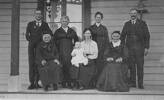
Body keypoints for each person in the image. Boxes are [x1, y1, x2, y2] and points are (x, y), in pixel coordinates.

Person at [121, 8, 150, 89]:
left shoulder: (142, 23)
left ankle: (140, 84)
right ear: (130, 14)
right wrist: (123, 47)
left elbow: (147, 36)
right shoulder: (127, 24)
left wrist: (146, 47)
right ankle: (133, 83)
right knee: (132, 67)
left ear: (136, 14)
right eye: (131, 13)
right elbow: (122, 36)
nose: (133, 15)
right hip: (129, 48)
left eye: (134, 13)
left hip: (140, 48)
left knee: (140, 67)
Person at [25, 9, 52, 89]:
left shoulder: (45, 24)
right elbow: (27, 35)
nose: (38, 15)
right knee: (31, 63)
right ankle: (32, 83)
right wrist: (32, 41)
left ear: (41, 15)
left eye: (40, 14)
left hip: (40, 47)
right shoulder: (30, 24)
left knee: (39, 64)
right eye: (37, 14)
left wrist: (44, 40)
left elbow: (50, 34)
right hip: (31, 47)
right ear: (35, 15)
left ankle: (38, 82)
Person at [53, 16, 79, 88]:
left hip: (70, 51)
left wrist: (75, 47)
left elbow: (76, 40)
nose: (64, 22)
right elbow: (54, 42)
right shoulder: (57, 31)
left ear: (68, 22)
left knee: (70, 66)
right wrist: (57, 52)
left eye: (66, 21)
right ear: (61, 22)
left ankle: (70, 82)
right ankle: (63, 82)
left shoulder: (72, 31)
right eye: (63, 21)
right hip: (61, 51)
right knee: (62, 65)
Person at [89, 12, 110, 87]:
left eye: (99, 17)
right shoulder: (91, 28)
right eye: (97, 17)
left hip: (102, 50)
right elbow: (88, 39)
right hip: (93, 50)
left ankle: (99, 83)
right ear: (95, 18)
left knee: (100, 66)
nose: (98, 18)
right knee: (93, 66)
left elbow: (107, 40)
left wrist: (106, 51)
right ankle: (92, 83)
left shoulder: (104, 28)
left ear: (101, 19)